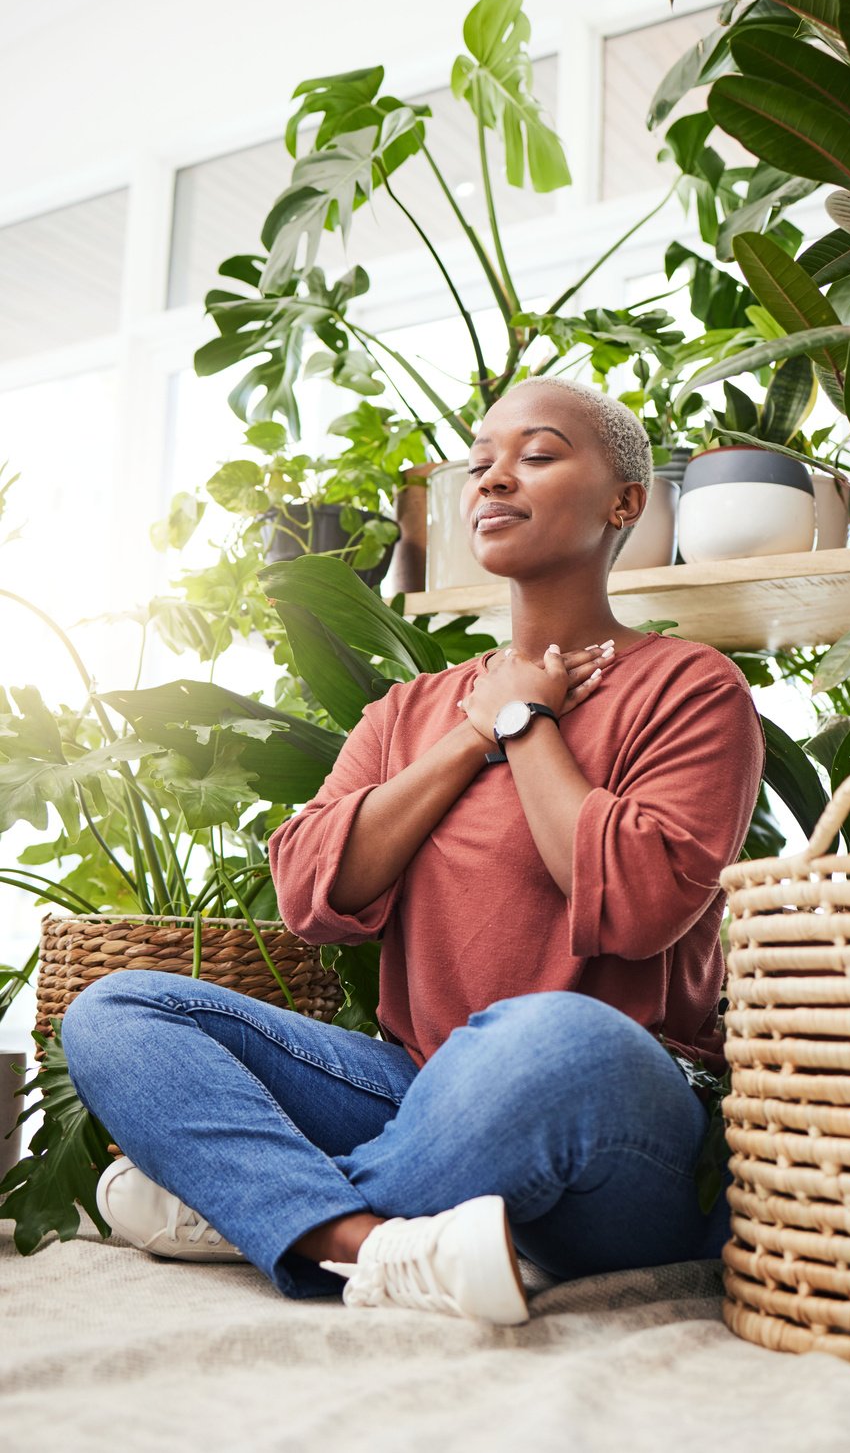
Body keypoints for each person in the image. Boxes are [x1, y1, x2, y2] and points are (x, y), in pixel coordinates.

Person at [62, 377, 765, 1325]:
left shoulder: (690, 688)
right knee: (120, 1007)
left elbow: (638, 907)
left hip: (610, 1113)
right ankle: (366, 1245)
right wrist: (470, 734)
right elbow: (310, 891)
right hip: (413, 1089)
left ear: (625, 502)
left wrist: (525, 721)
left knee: (554, 1037)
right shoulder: (410, 713)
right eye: (479, 462)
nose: (493, 479)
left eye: (538, 454)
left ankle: (257, 1208)